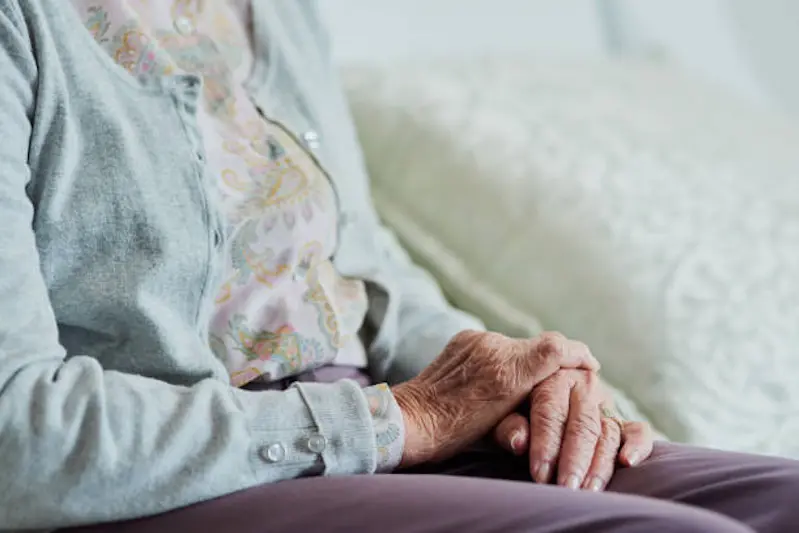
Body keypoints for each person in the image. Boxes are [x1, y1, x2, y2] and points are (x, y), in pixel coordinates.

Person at [0, 1, 796, 532]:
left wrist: (520, 378)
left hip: (374, 431)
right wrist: (405, 419)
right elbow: (18, 437)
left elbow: (367, 279)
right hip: (185, 474)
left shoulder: (275, 12)